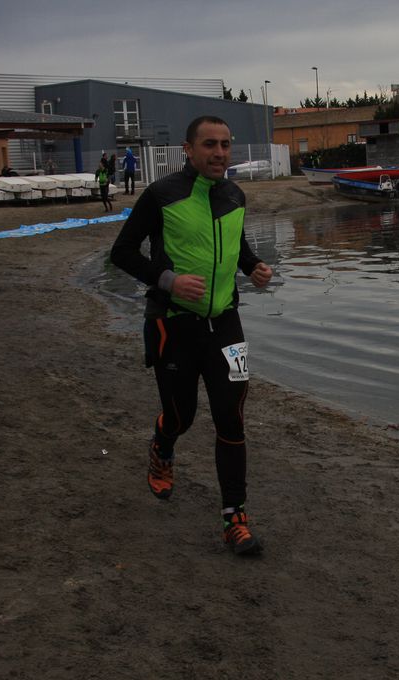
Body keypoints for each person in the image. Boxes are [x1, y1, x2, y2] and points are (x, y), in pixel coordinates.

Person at [110, 115, 273, 555]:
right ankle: (163, 446)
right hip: (173, 324)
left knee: (232, 419)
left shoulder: (235, 194)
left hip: (226, 325)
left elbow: (235, 246)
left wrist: (253, 267)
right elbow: (122, 252)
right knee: (181, 416)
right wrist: (168, 280)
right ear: (188, 149)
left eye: (225, 144)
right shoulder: (162, 195)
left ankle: (234, 518)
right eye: (209, 145)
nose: (219, 153)